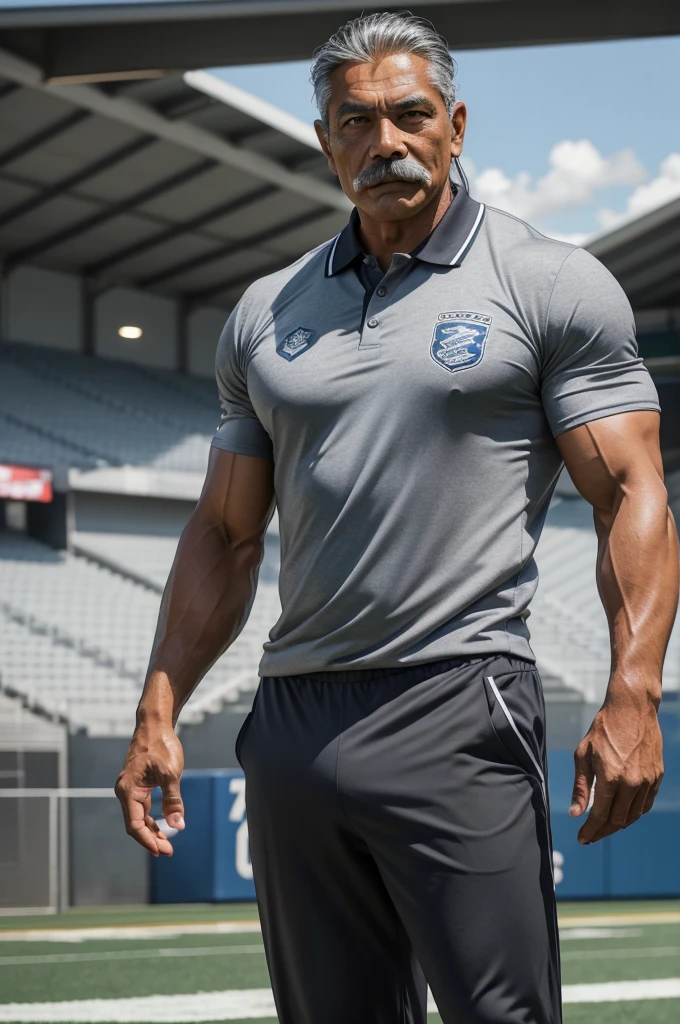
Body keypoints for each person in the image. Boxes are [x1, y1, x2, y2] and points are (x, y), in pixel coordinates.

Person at [115, 12, 678, 1024]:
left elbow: (630, 491)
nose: (386, 142)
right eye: (356, 122)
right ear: (325, 142)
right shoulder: (264, 314)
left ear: (454, 125)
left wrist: (632, 689)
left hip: (456, 701)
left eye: (410, 116)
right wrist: (160, 703)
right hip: (292, 716)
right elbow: (225, 532)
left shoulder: (547, 282)